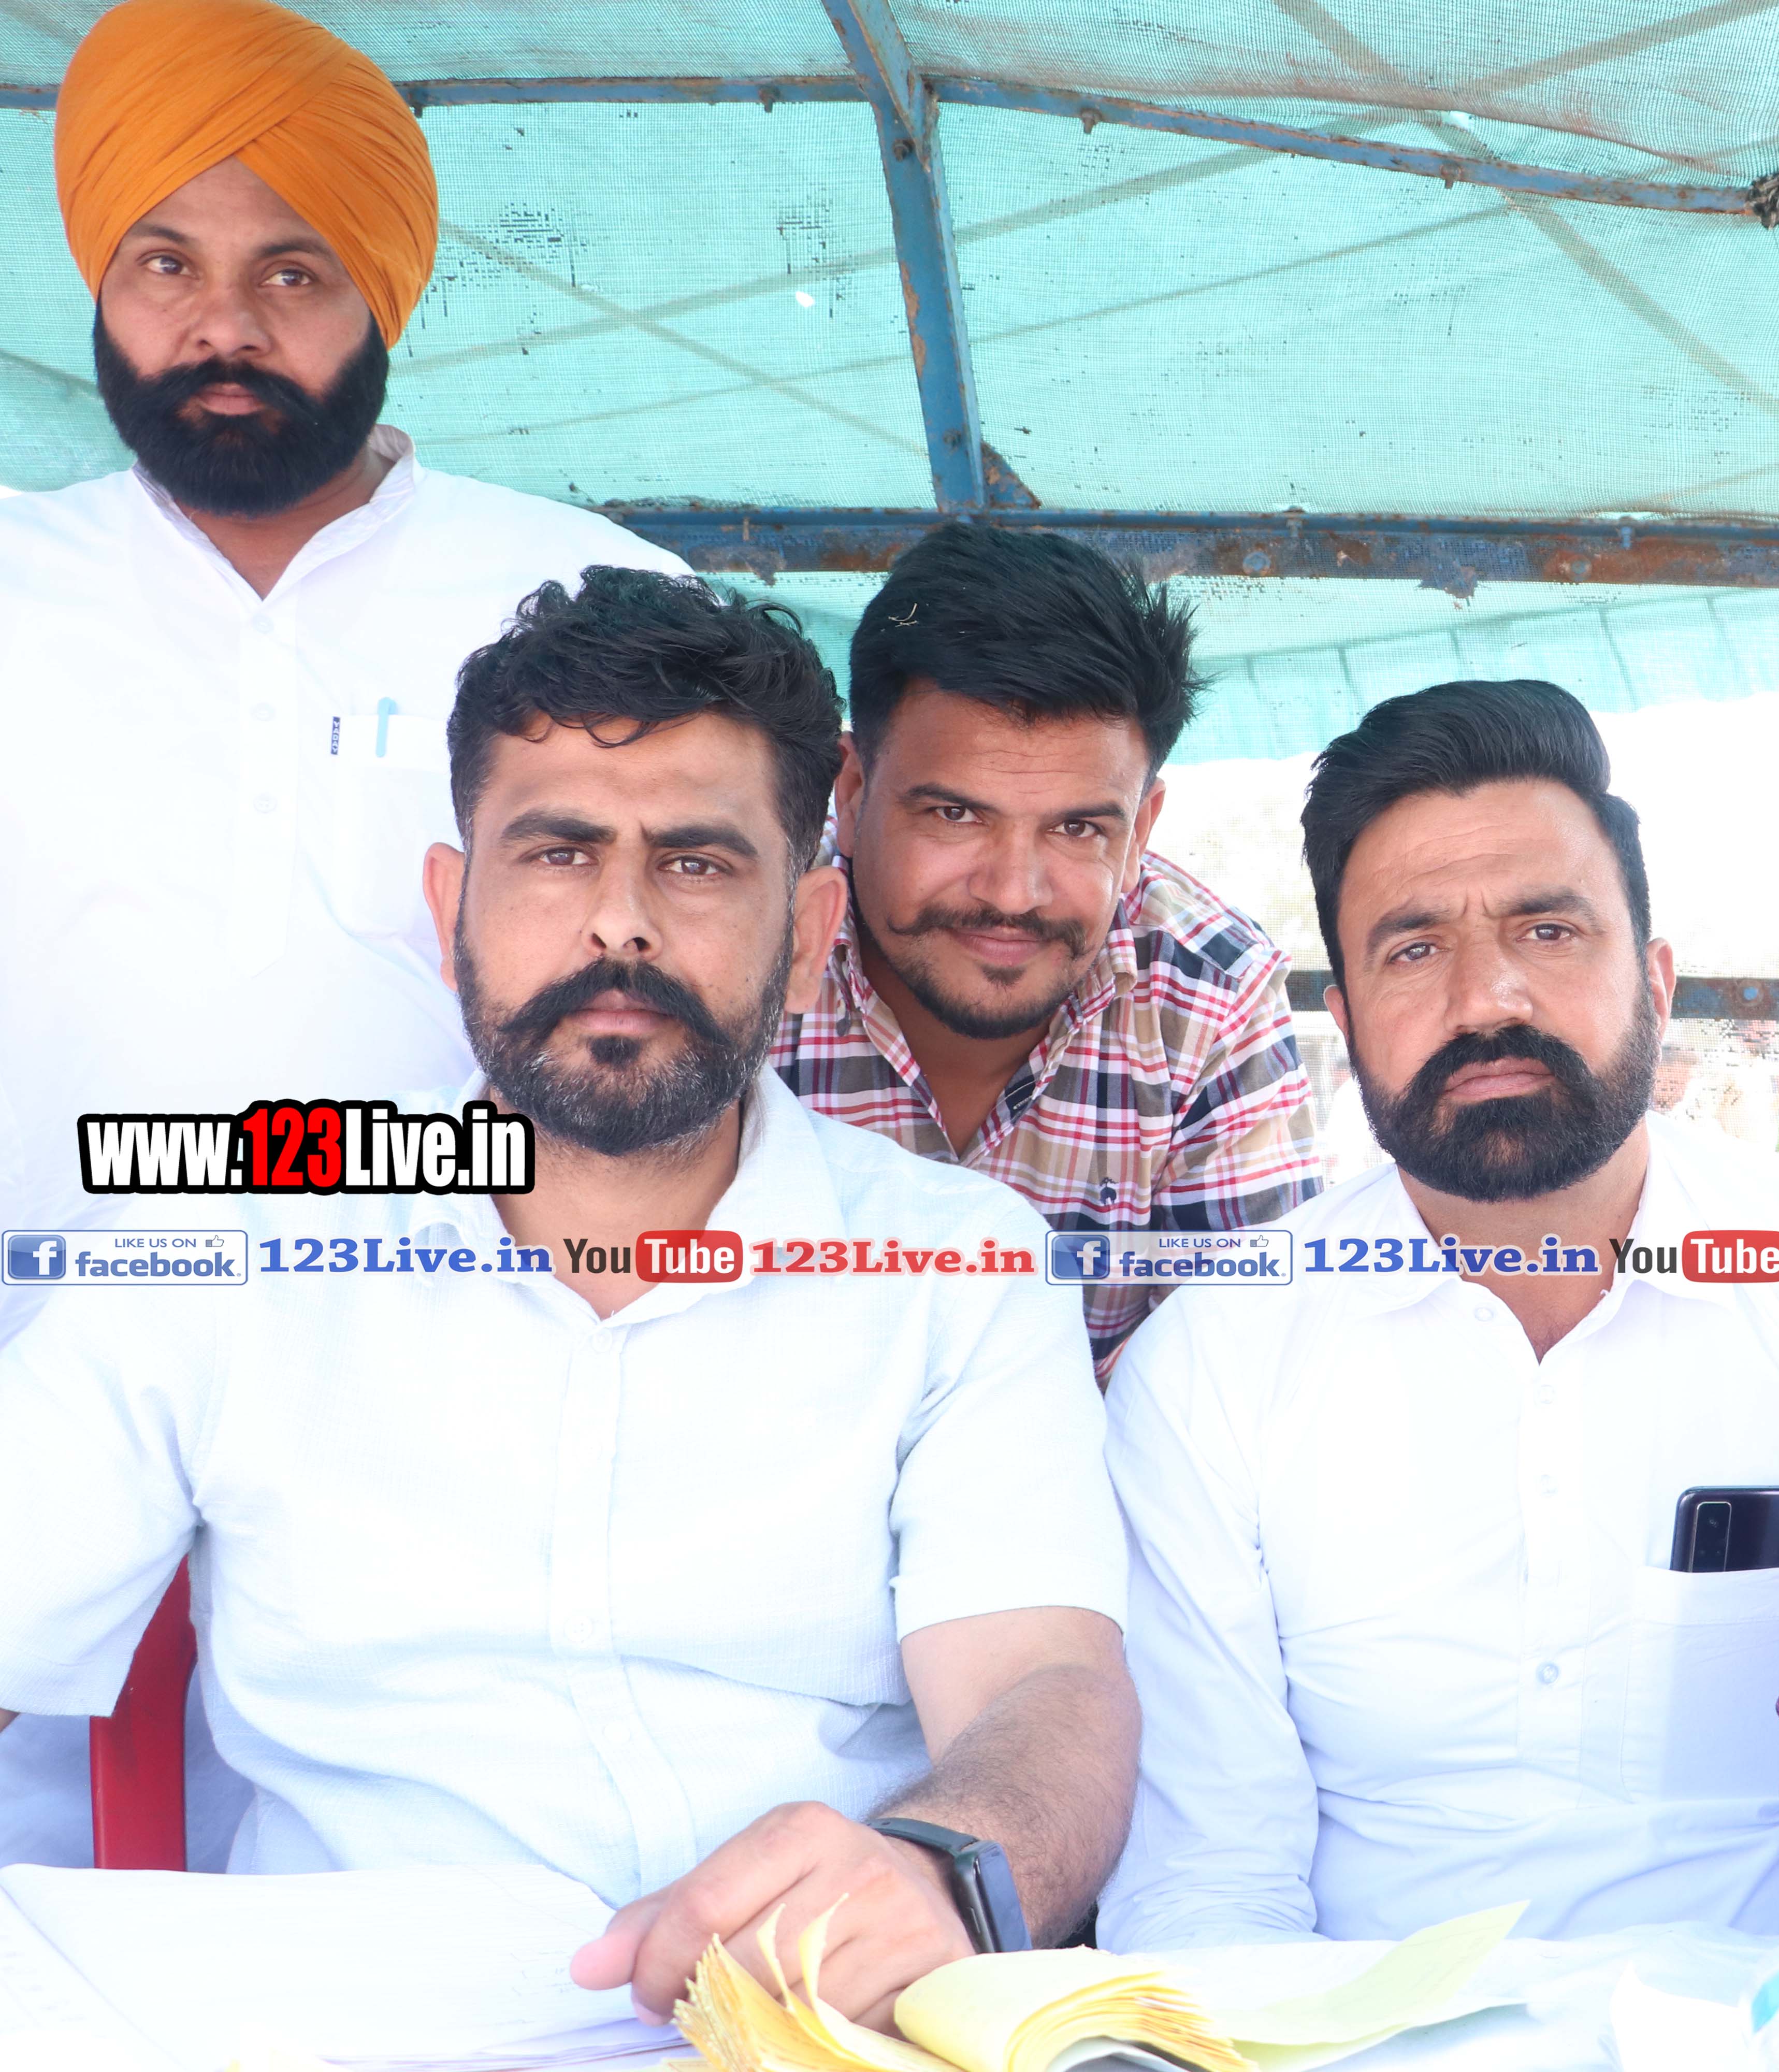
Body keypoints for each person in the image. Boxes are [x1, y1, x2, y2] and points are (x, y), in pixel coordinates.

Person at [0, 571, 1133, 2034]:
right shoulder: (236, 1227)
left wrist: (940, 1869)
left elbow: (1045, 1689)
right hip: (336, 2025)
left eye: (698, 863)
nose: (619, 926)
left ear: (807, 935)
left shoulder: (961, 1264)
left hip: (801, 2024)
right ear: (450, 910)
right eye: (557, 852)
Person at [0, 0, 688, 1867]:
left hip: (443, 1465)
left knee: (389, 1932)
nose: (224, 324)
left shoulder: (582, 596)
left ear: (380, 293)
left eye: (291, 271)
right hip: (28, 1418)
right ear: (99, 279)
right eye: (167, 264)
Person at [1097, 680, 1779, 1948]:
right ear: (1345, 1020)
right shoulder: (1214, 1365)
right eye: (1414, 950)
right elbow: (1208, 1877)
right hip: (1361, 2032)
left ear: (1659, 981)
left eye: (1550, 930)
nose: (1488, 1000)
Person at [770, 524, 1319, 1377]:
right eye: (956, 815)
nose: (1013, 892)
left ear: (1140, 833)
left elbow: (1247, 1376)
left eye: (1077, 829)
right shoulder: (742, 946)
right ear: (851, 791)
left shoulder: (1210, 995)